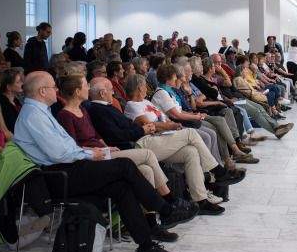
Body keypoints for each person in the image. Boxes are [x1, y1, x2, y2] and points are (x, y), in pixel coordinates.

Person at [13, 71, 199, 252]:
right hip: (57, 176)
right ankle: (166, 209)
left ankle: (146, 247)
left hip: (67, 168)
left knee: (122, 187)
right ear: (42, 91)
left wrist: (91, 151)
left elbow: (66, 146)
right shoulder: (34, 115)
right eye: (53, 87)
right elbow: (58, 153)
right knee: (125, 165)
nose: (57, 90)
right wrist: (90, 153)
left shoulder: (41, 112)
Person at [90, 74, 244, 215]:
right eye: (110, 90)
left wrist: (147, 128)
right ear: (102, 93)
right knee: (191, 134)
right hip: (142, 143)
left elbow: (131, 127)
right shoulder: (100, 110)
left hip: (153, 138)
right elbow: (121, 135)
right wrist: (145, 129)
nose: (113, 93)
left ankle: (200, 199)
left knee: (190, 151)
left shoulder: (109, 107)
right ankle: (218, 172)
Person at [55, 72, 181, 241]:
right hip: (92, 158)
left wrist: (107, 147)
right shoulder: (65, 115)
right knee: (147, 154)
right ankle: (169, 202)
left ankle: (152, 224)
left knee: (146, 170)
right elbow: (72, 146)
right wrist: (99, 150)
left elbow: (96, 134)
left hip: (104, 152)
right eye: (86, 85)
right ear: (77, 91)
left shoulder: (83, 110)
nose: (88, 88)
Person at [0, 67, 24, 132]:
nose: (22, 83)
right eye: (18, 82)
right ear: (9, 87)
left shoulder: (15, 101)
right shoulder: (2, 103)